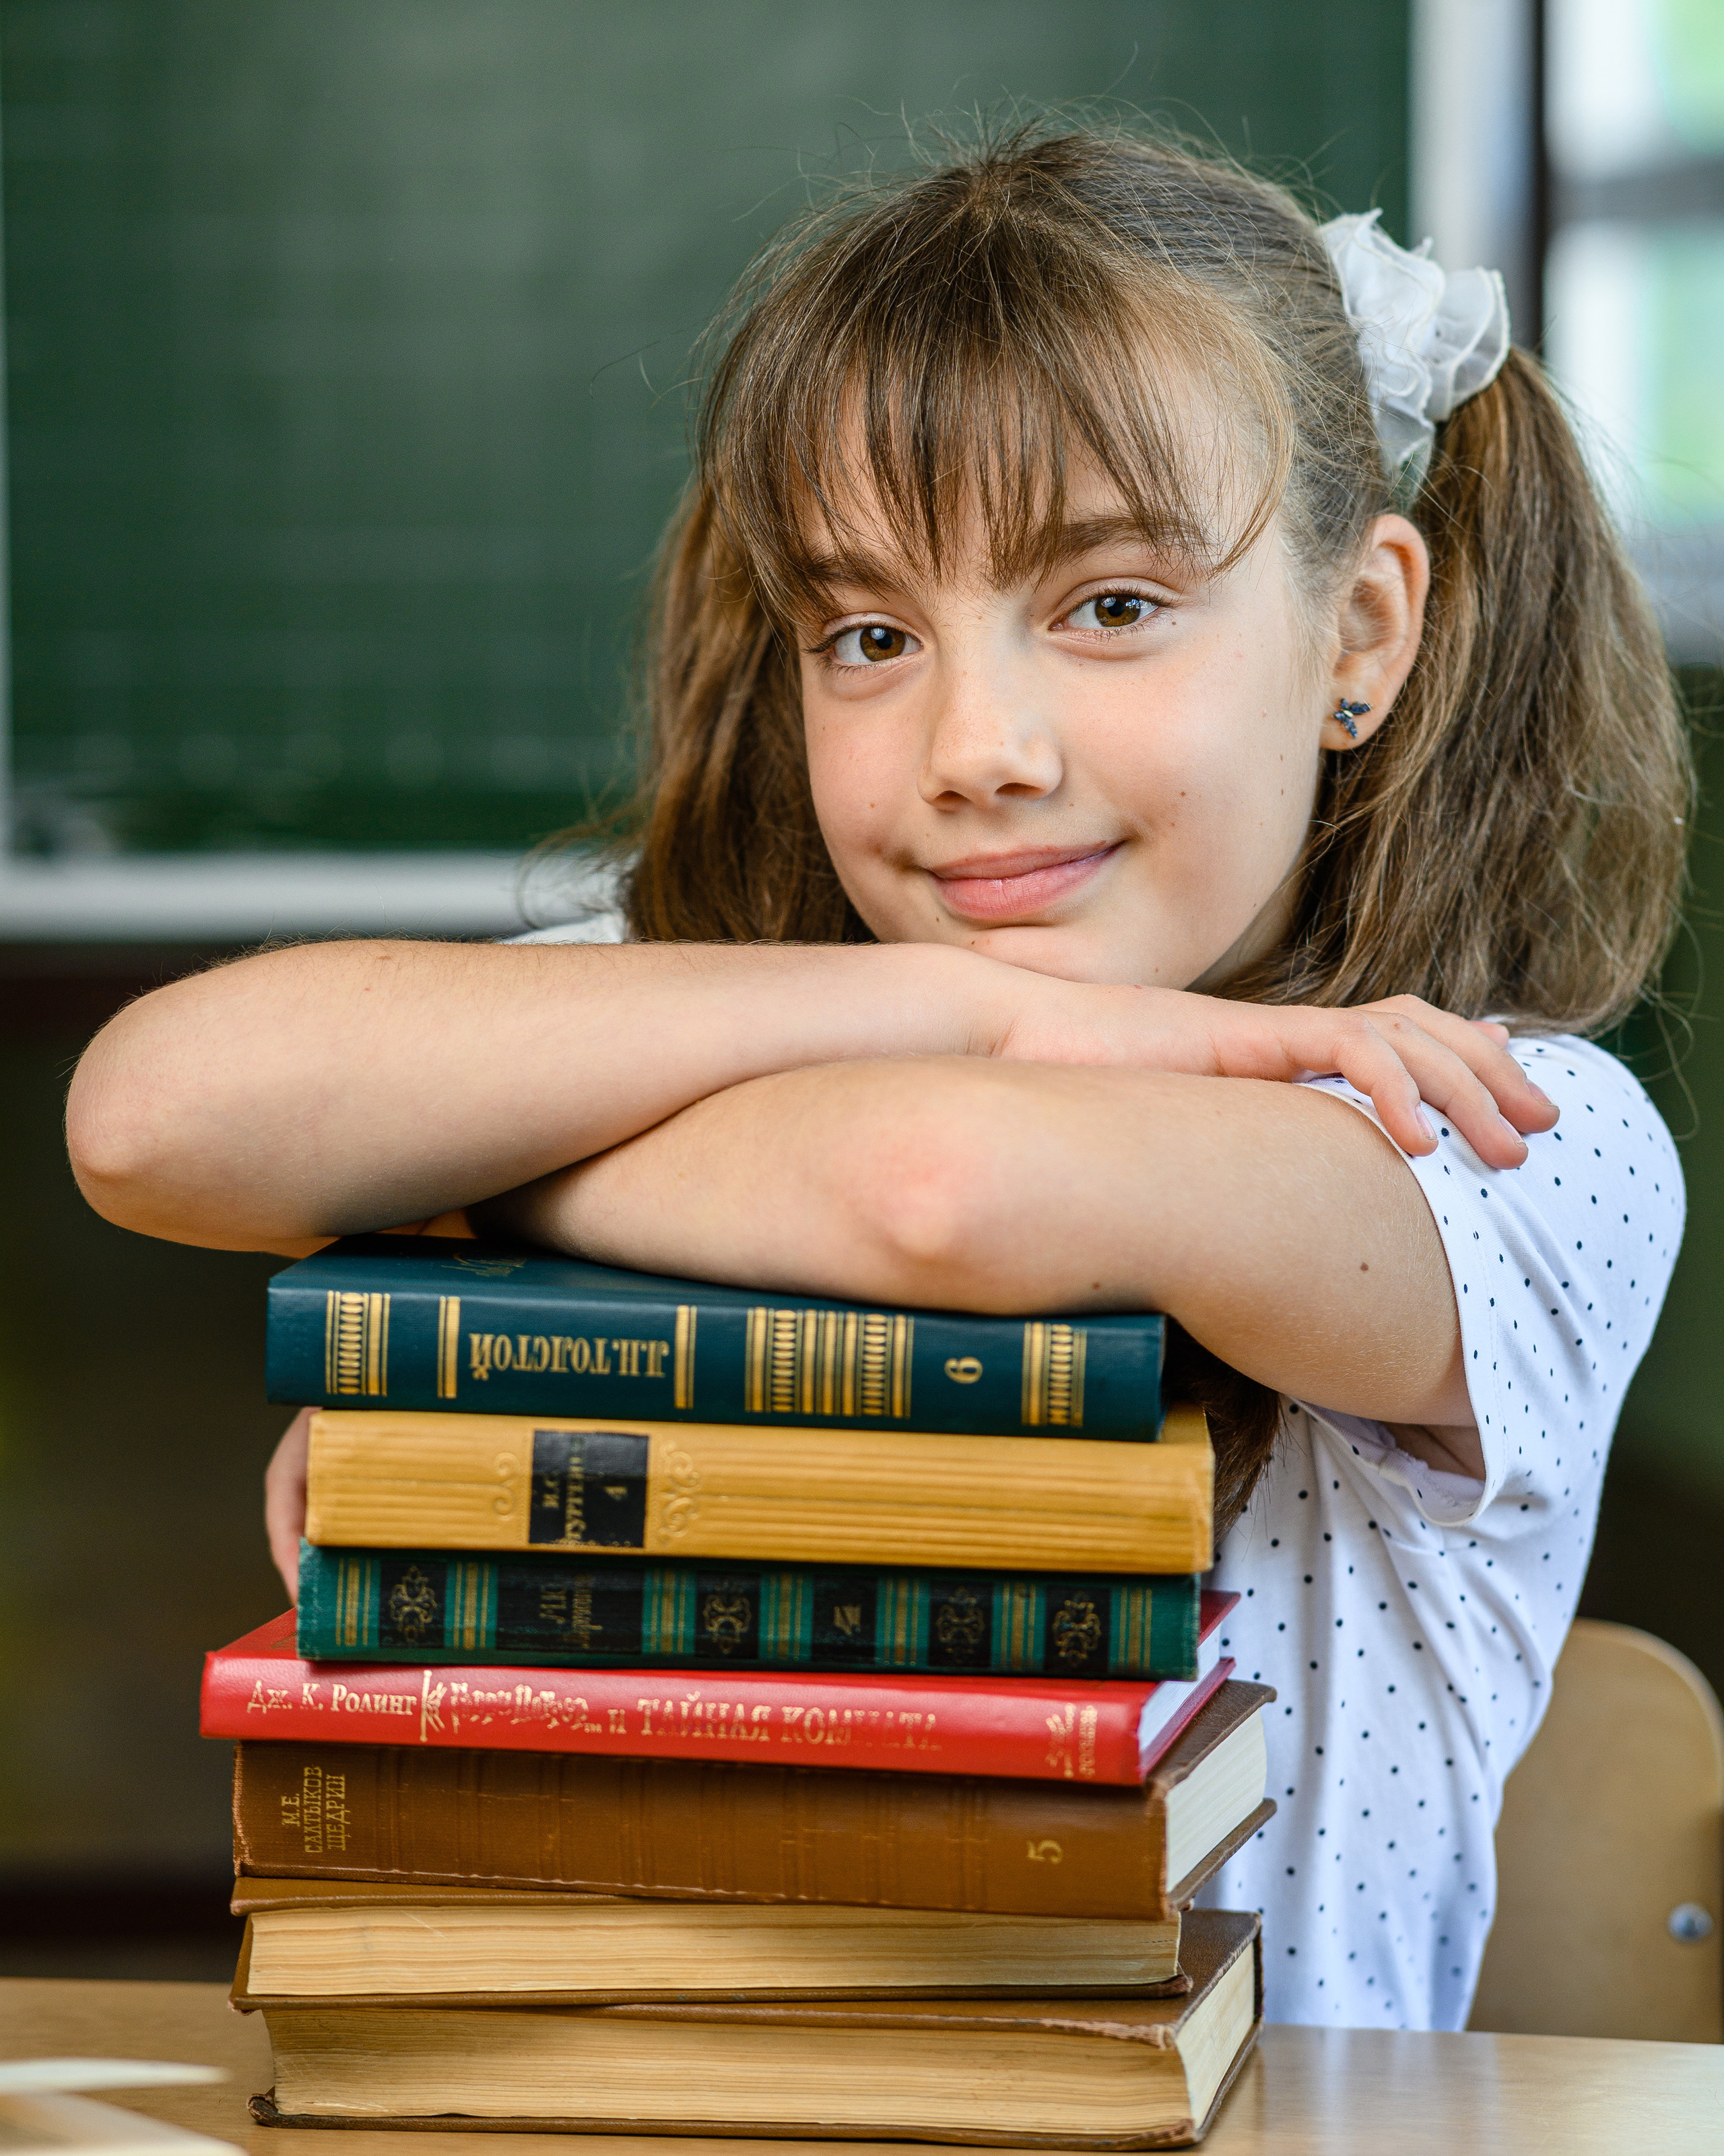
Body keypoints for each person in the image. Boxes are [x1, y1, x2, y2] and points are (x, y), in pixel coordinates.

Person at [65, 126, 1688, 2031]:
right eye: (870, 633)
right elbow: (149, 1114)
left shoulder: (1503, 1133)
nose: (973, 746)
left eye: (1110, 605)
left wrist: (475, 1191)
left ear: (1362, 631)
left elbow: (943, 1183)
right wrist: (981, 1010)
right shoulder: (825, 1010)